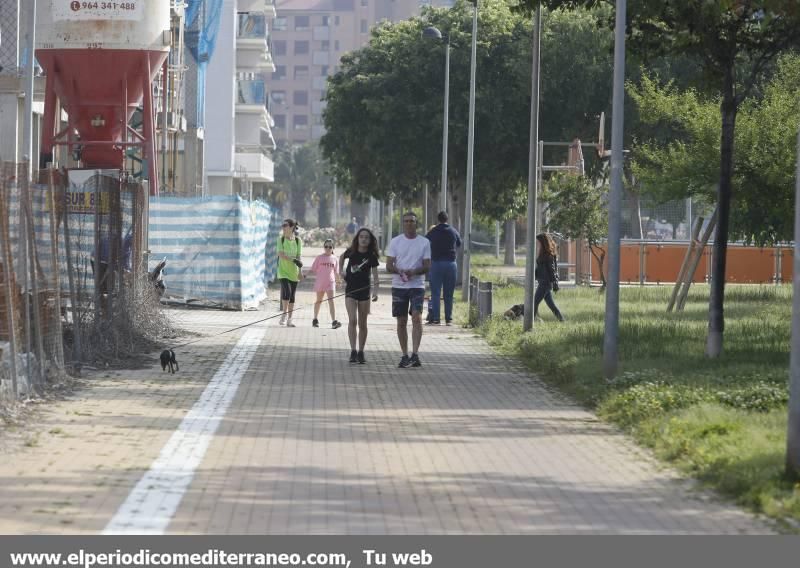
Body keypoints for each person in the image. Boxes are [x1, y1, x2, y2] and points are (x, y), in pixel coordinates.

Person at [386, 211, 431, 368]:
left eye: (412, 221)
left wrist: (414, 272)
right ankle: (404, 354)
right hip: (399, 286)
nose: (409, 224)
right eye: (406, 221)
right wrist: (399, 271)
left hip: (417, 286)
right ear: (402, 224)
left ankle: (415, 354)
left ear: (416, 224)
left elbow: (427, 266)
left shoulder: (424, 242)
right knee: (401, 321)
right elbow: (388, 265)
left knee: (417, 317)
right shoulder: (395, 242)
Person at [339, 228, 380, 363]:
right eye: (361, 237)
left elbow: (375, 276)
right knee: (352, 320)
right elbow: (341, 257)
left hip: (364, 291)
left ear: (370, 240)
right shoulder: (351, 252)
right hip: (351, 290)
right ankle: (353, 350)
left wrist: (375, 291)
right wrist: (341, 272)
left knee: (363, 323)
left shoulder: (371, 256)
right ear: (357, 238)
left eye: (366, 237)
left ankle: (361, 351)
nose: (363, 239)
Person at [424, 211, 462, 326]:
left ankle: (436, 318)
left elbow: (425, 243)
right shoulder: (453, 231)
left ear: (438, 219)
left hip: (436, 264)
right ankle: (448, 319)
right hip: (451, 264)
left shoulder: (433, 232)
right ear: (447, 219)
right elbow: (459, 244)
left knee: (435, 292)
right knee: (449, 294)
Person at [309, 239, 342, 329]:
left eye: (330, 247)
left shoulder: (335, 258)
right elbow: (313, 269)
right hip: (320, 282)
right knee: (319, 301)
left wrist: (338, 281)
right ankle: (315, 319)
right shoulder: (319, 258)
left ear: (333, 248)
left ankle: (334, 321)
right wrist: (304, 275)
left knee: (331, 300)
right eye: (326, 246)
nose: (328, 248)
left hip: (330, 282)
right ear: (324, 247)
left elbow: (336, 272)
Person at [276, 218, 303, 327]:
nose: (283, 227)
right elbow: (281, 254)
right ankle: (284, 315)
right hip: (283, 272)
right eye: (282, 225)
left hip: (294, 272)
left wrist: (300, 271)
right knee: (286, 291)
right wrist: (293, 260)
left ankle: (290, 319)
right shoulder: (280, 240)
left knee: (292, 296)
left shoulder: (298, 241)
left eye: (285, 225)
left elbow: (299, 257)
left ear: (291, 227)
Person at [534, 233, 565, 322]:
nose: (537, 244)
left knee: (534, 303)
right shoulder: (543, 253)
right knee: (551, 305)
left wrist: (555, 283)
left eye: (538, 242)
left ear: (543, 242)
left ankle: (531, 322)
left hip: (545, 283)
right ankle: (562, 320)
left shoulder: (548, 255)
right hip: (543, 282)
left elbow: (552, 270)